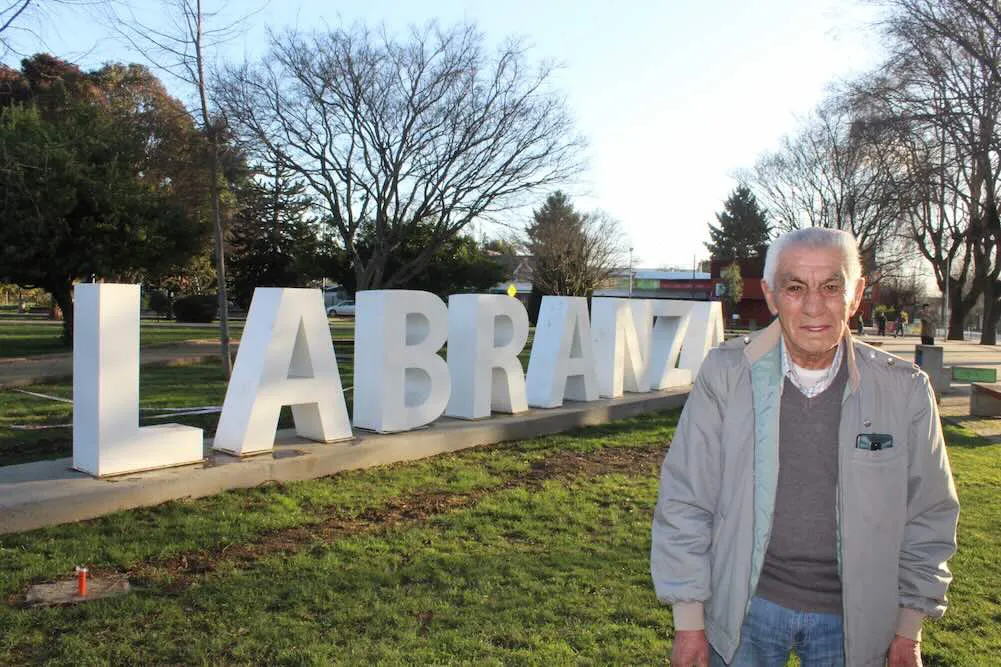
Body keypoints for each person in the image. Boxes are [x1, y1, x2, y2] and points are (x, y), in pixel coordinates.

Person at [651, 228, 959, 667]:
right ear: (771, 295)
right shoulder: (725, 376)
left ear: (856, 296)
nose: (814, 305)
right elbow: (686, 499)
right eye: (795, 287)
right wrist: (688, 621)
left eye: (831, 287)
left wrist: (909, 629)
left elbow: (929, 515)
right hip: (744, 609)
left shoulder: (904, 391)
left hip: (856, 622)